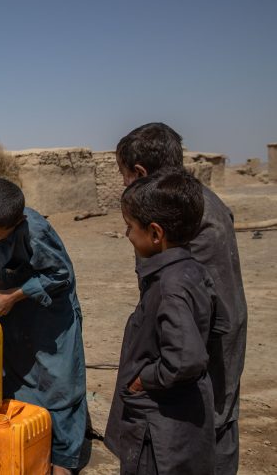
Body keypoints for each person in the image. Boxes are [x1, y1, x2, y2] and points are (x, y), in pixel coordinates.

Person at [115, 122, 247, 474]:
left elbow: (181, 308)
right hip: (203, 341)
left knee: (206, 430)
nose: (124, 183)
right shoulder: (194, 202)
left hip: (201, 347)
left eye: (124, 175)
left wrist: (147, 376)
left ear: (140, 172)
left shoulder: (179, 218)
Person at [0, 178, 87, 474]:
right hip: (8, 314)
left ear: (18, 224)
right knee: (13, 376)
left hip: (50, 316)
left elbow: (59, 275)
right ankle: (23, 442)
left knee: (58, 383)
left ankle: (63, 458)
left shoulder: (35, 230)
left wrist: (13, 296)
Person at [104, 170, 227, 474]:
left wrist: (143, 380)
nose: (127, 235)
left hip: (158, 432)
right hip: (180, 422)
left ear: (156, 234)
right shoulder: (193, 271)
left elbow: (184, 359)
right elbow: (218, 327)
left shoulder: (171, 286)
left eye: (130, 226)